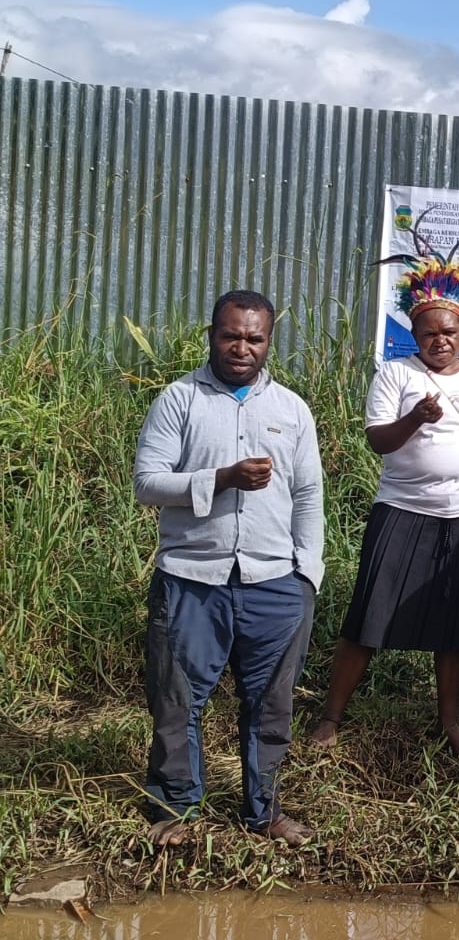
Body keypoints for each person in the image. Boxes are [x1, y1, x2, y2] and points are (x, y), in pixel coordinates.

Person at [133, 290, 324, 848]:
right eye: (231, 335)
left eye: (254, 338)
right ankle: (176, 808)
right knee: (176, 699)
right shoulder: (180, 399)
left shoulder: (291, 409)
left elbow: (309, 494)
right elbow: (148, 483)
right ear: (212, 334)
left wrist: (306, 573)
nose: (242, 347)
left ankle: (263, 811)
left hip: (275, 584)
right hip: (193, 578)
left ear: (269, 342)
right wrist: (221, 478)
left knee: (270, 703)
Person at [310, 256, 459, 757]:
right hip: (403, 511)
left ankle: (450, 723)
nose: (439, 340)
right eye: (428, 333)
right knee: (368, 617)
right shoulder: (394, 375)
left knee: (455, 628)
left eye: (448, 331)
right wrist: (414, 419)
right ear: (414, 332)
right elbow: (379, 442)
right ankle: (330, 716)